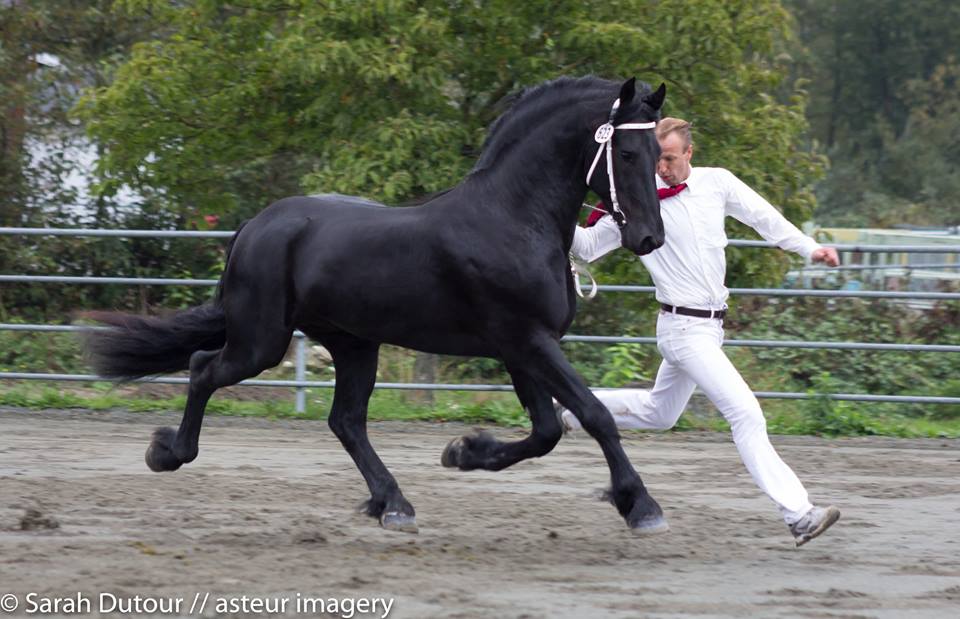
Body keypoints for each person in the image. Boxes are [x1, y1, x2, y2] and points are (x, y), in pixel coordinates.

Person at [561, 117, 841, 546]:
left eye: (670, 159)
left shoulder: (717, 183)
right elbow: (589, 247)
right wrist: (557, 213)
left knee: (660, 413)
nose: (662, 168)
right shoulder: (637, 202)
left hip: (710, 327)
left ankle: (571, 411)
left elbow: (764, 218)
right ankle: (798, 514)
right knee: (746, 414)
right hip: (681, 329)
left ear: (689, 153)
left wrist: (810, 248)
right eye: (657, 159)